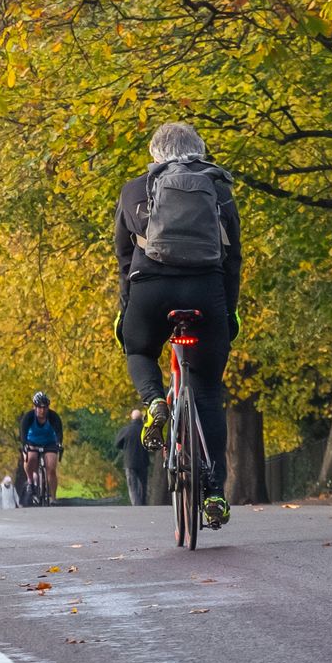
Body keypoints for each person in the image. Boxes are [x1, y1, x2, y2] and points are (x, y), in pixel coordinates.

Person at [115, 120, 240, 529]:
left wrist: (127, 307)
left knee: (137, 348)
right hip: (207, 292)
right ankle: (215, 492)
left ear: (155, 154)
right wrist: (229, 311)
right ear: (200, 151)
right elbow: (233, 258)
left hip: (151, 291)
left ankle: (154, 400)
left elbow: (121, 258)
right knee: (206, 390)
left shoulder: (135, 190)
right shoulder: (218, 189)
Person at [17, 391, 64, 504]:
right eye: (39, 407)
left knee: (51, 468)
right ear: (34, 407)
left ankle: (53, 497)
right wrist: (25, 444)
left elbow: (58, 432)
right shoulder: (28, 417)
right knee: (30, 458)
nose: (42, 410)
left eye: (45, 408)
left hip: (49, 443)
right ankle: (30, 481)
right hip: (32, 442)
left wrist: (59, 443)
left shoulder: (53, 417)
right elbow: (23, 433)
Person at [114, 409, 151, 506]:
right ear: (141, 418)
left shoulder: (126, 430)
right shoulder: (146, 430)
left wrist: (125, 446)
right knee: (143, 484)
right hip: (143, 461)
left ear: (131, 417)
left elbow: (117, 444)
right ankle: (143, 503)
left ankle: (136, 504)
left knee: (132, 485)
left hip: (130, 461)